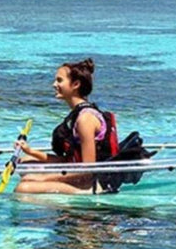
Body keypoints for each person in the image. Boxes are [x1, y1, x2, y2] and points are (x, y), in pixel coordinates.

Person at [14, 58, 116, 194]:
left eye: (59, 80)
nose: (54, 84)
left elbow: (87, 170)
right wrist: (31, 152)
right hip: (80, 175)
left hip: (93, 184)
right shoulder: (77, 115)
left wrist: (44, 179)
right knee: (26, 163)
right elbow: (69, 159)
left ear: (75, 84)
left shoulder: (85, 119)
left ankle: (60, 213)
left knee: (23, 188)